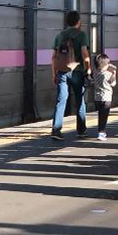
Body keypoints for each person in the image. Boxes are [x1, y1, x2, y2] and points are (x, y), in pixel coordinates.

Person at [50, 10, 90, 141]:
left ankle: (56, 130)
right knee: (80, 100)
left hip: (62, 72)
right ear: (78, 21)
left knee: (61, 100)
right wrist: (88, 68)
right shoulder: (81, 35)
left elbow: (54, 57)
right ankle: (81, 130)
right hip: (77, 71)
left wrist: (54, 73)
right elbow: (84, 53)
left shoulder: (59, 36)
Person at [91, 53, 116, 140]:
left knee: (100, 115)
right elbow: (113, 84)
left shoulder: (95, 73)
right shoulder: (108, 74)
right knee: (104, 117)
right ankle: (101, 133)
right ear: (105, 64)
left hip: (97, 97)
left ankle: (101, 132)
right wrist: (114, 74)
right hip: (106, 98)